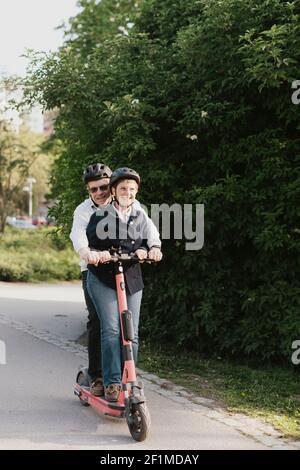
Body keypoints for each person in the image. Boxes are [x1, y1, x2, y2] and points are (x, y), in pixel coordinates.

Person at [86, 167, 162, 402]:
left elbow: (153, 238)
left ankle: (129, 378)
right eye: (122, 189)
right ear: (114, 191)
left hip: (131, 278)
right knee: (111, 330)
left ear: (136, 191)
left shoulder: (140, 214)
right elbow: (89, 243)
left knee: (132, 333)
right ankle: (111, 383)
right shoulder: (100, 215)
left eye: (131, 189)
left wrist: (152, 250)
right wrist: (98, 254)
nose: (127, 192)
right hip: (104, 277)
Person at [70, 163, 112, 396]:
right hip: (92, 270)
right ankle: (96, 376)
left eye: (103, 187)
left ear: (111, 185)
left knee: (121, 323)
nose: (98, 193)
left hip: (119, 269)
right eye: (93, 190)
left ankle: (118, 375)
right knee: (97, 321)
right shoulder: (84, 210)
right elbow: (77, 234)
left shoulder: (124, 204)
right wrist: (86, 252)